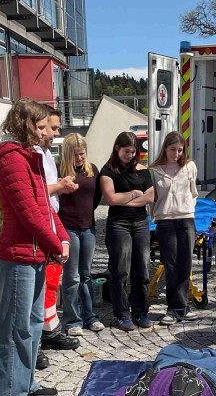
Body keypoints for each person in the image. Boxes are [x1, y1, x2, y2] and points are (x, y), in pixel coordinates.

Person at [0, 99, 69, 396]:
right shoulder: (12, 160)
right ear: (25, 125)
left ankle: (24, 383)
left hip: (34, 253)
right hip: (19, 255)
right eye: (40, 125)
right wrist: (56, 244)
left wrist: (60, 236)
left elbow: (45, 207)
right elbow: (28, 213)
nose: (46, 131)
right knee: (16, 328)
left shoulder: (29, 158)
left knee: (33, 324)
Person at [99, 131, 155, 331]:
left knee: (142, 269)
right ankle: (122, 313)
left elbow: (149, 197)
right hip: (118, 225)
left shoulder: (143, 171)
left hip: (140, 224)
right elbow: (111, 199)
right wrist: (133, 194)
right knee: (120, 270)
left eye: (133, 152)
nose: (130, 155)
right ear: (117, 148)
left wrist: (127, 201)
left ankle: (141, 312)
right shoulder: (108, 171)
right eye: (126, 151)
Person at [37, 107, 81, 355]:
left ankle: (49, 330)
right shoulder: (30, 154)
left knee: (52, 281)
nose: (54, 133)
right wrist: (60, 186)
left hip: (51, 217)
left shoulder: (45, 153)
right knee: (40, 286)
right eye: (51, 128)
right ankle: (38, 339)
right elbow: (36, 191)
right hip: (42, 223)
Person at [149, 131, 200, 325]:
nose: (176, 154)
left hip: (186, 219)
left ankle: (181, 308)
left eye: (180, 150)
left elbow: (193, 192)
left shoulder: (189, 167)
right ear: (165, 149)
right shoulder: (155, 170)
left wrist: (189, 209)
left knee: (185, 265)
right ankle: (174, 308)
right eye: (173, 150)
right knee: (171, 265)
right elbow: (152, 198)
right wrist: (157, 215)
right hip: (164, 221)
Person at [58, 133, 104, 335]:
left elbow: (96, 197)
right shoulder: (59, 171)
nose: (79, 159)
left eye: (82, 154)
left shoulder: (92, 170)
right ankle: (71, 320)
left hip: (88, 227)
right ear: (68, 155)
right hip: (68, 227)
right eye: (75, 155)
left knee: (86, 275)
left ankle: (90, 316)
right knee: (71, 276)